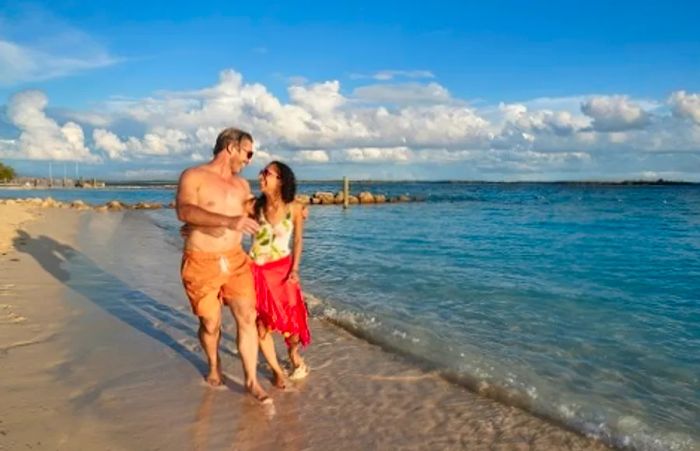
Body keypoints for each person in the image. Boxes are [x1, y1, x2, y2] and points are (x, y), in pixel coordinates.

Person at [176, 127, 270, 403]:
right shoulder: (194, 176)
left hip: (236, 259)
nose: (249, 160)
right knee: (210, 323)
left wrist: (288, 207)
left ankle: (252, 381)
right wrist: (227, 222)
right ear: (231, 147)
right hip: (201, 261)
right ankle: (214, 365)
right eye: (248, 152)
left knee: (247, 316)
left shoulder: (242, 185)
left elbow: (258, 213)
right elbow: (184, 210)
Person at [249, 161, 311, 386]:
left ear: (281, 180)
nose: (261, 176)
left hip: (284, 272)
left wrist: (295, 269)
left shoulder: (294, 207)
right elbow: (226, 212)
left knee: (292, 322)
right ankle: (276, 370)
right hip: (257, 273)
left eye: (267, 173)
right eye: (262, 172)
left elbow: (297, 240)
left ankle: (294, 357)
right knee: (261, 324)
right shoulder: (254, 206)